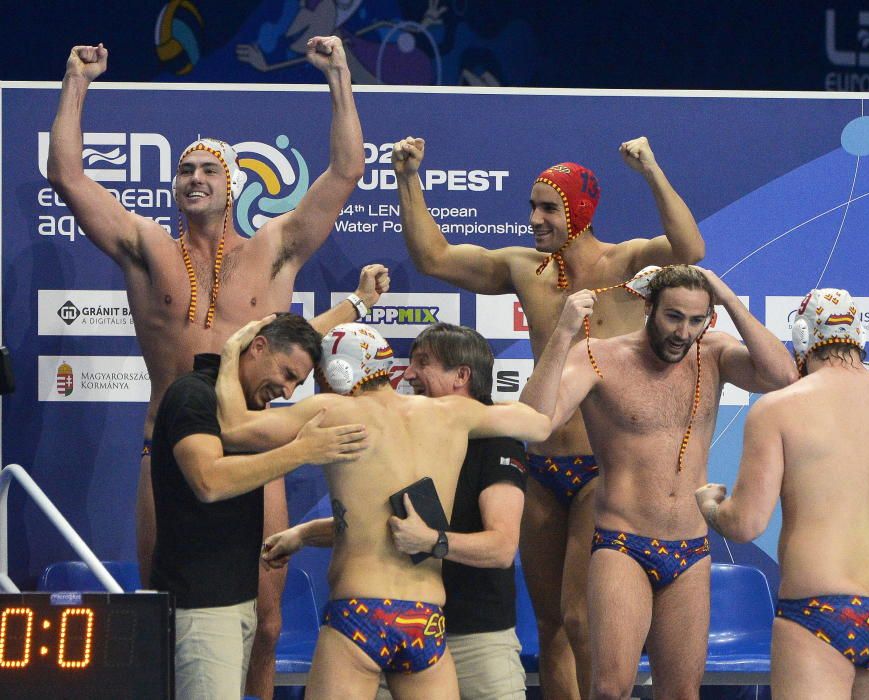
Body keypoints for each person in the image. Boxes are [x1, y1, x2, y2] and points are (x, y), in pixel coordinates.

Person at [46, 38, 380, 698]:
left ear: (232, 188)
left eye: (207, 170)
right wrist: (76, 80)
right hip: (165, 449)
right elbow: (68, 177)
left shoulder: (275, 249)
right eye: (183, 170)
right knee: (158, 612)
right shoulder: (146, 248)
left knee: (267, 613)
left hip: (256, 442)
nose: (193, 177)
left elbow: (345, 172)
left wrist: (340, 75)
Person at [392, 135, 705, 697]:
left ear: (579, 213)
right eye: (532, 206)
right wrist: (407, 176)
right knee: (553, 627)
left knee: (584, 620)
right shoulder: (525, 269)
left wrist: (652, 170)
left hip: (601, 468)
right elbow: (433, 257)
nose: (534, 218)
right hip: (539, 462)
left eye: (547, 208)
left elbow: (690, 247)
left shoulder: (629, 263)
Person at [217, 321, 551, 699]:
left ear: (338, 372)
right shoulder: (454, 412)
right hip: (425, 622)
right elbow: (540, 424)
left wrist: (229, 356)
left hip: (360, 616)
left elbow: (233, 428)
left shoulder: (331, 410)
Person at [520, 265, 798, 698]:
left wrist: (725, 297)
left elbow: (783, 377)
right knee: (610, 689)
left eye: (695, 320)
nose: (682, 332)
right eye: (673, 317)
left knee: (682, 693)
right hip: (622, 543)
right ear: (648, 307)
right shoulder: (597, 356)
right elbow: (535, 422)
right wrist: (562, 334)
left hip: (690, 550)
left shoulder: (713, 353)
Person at [696, 288, 869, 698]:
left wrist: (711, 505)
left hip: (818, 613)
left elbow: (745, 523)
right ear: (859, 336)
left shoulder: (779, 408)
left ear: (802, 336)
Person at [150, 312, 369, 699]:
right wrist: (301, 451)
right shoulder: (193, 395)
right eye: (286, 374)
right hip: (200, 609)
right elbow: (209, 481)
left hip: (237, 603)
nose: (286, 391)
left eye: (297, 384)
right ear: (259, 347)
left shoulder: (244, 410)